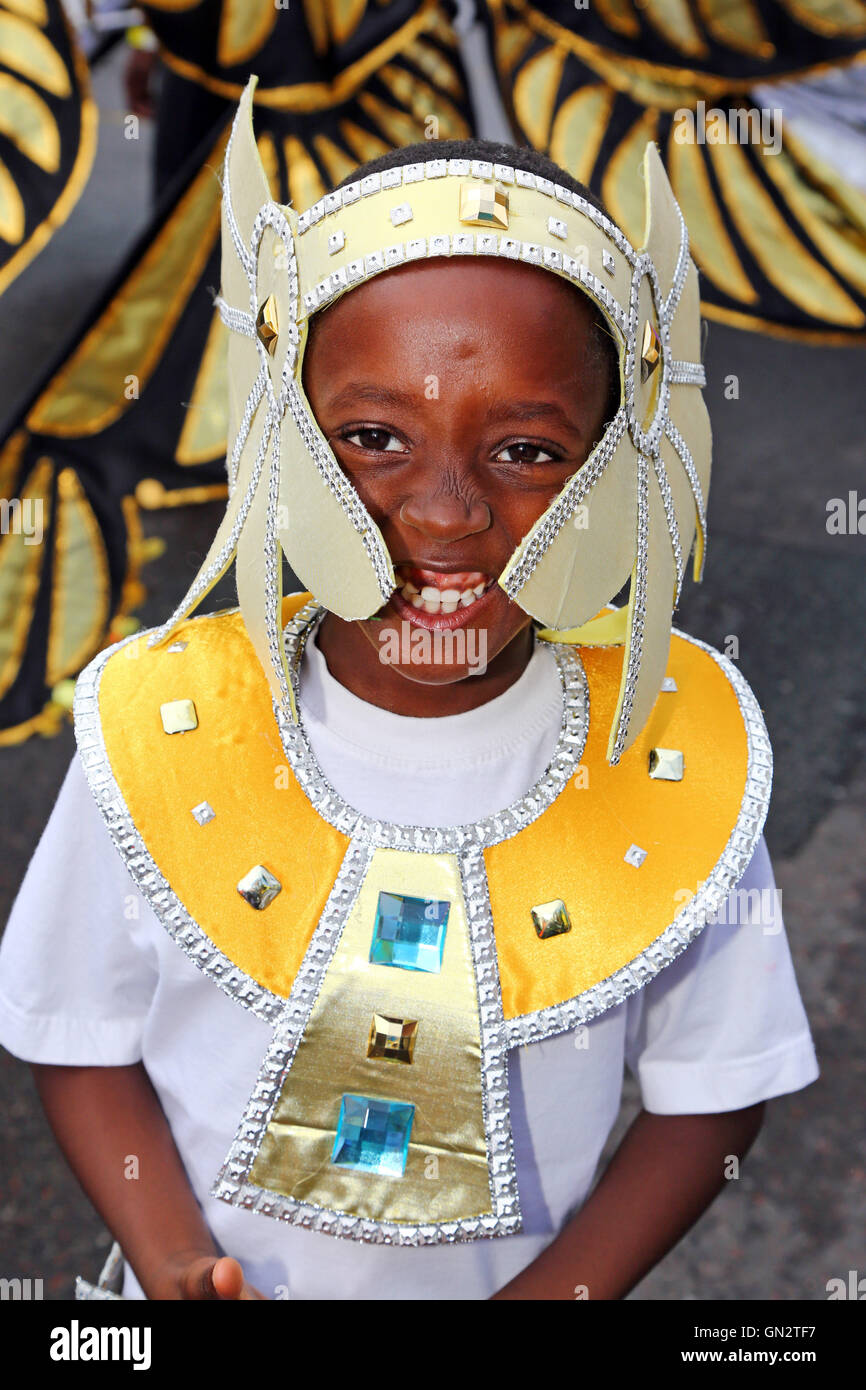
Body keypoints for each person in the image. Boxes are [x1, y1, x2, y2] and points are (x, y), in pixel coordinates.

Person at [0, 80, 819, 1300]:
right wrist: (172, 1259)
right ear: (278, 425)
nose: (445, 514)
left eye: (527, 450)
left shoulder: (670, 753)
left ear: (619, 457)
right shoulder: (162, 726)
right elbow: (76, 1034)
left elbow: (713, 1092)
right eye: (373, 437)